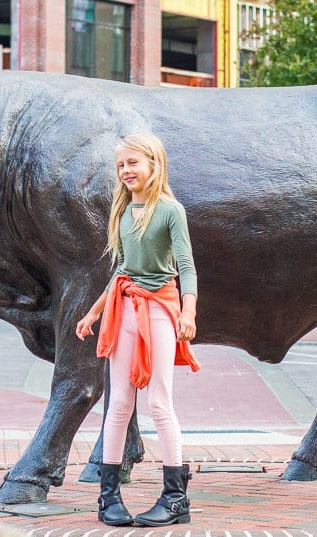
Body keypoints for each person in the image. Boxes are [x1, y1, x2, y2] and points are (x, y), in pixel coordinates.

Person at [76, 132, 200, 527]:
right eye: (120, 166)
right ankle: (108, 498)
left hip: (161, 308)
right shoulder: (123, 210)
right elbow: (122, 270)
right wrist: (93, 312)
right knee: (119, 406)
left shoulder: (169, 210)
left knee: (160, 404)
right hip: (123, 309)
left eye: (133, 163)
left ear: (153, 164)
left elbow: (187, 267)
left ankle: (176, 499)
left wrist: (188, 312)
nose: (126, 171)